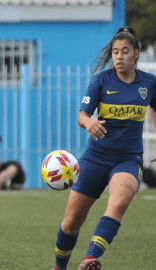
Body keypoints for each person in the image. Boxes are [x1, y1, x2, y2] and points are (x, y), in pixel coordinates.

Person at [52, 26, 156, 270]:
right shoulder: (101, 80)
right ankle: (59, 267)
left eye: (125, 52)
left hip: (128, 159)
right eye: (115, 52)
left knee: (118, 204)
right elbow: (82, 115)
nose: (119, 57)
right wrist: (89, 122)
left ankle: (90, 258)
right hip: (95, 158)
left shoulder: (149, 83)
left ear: (136, 54)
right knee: (71, 222)